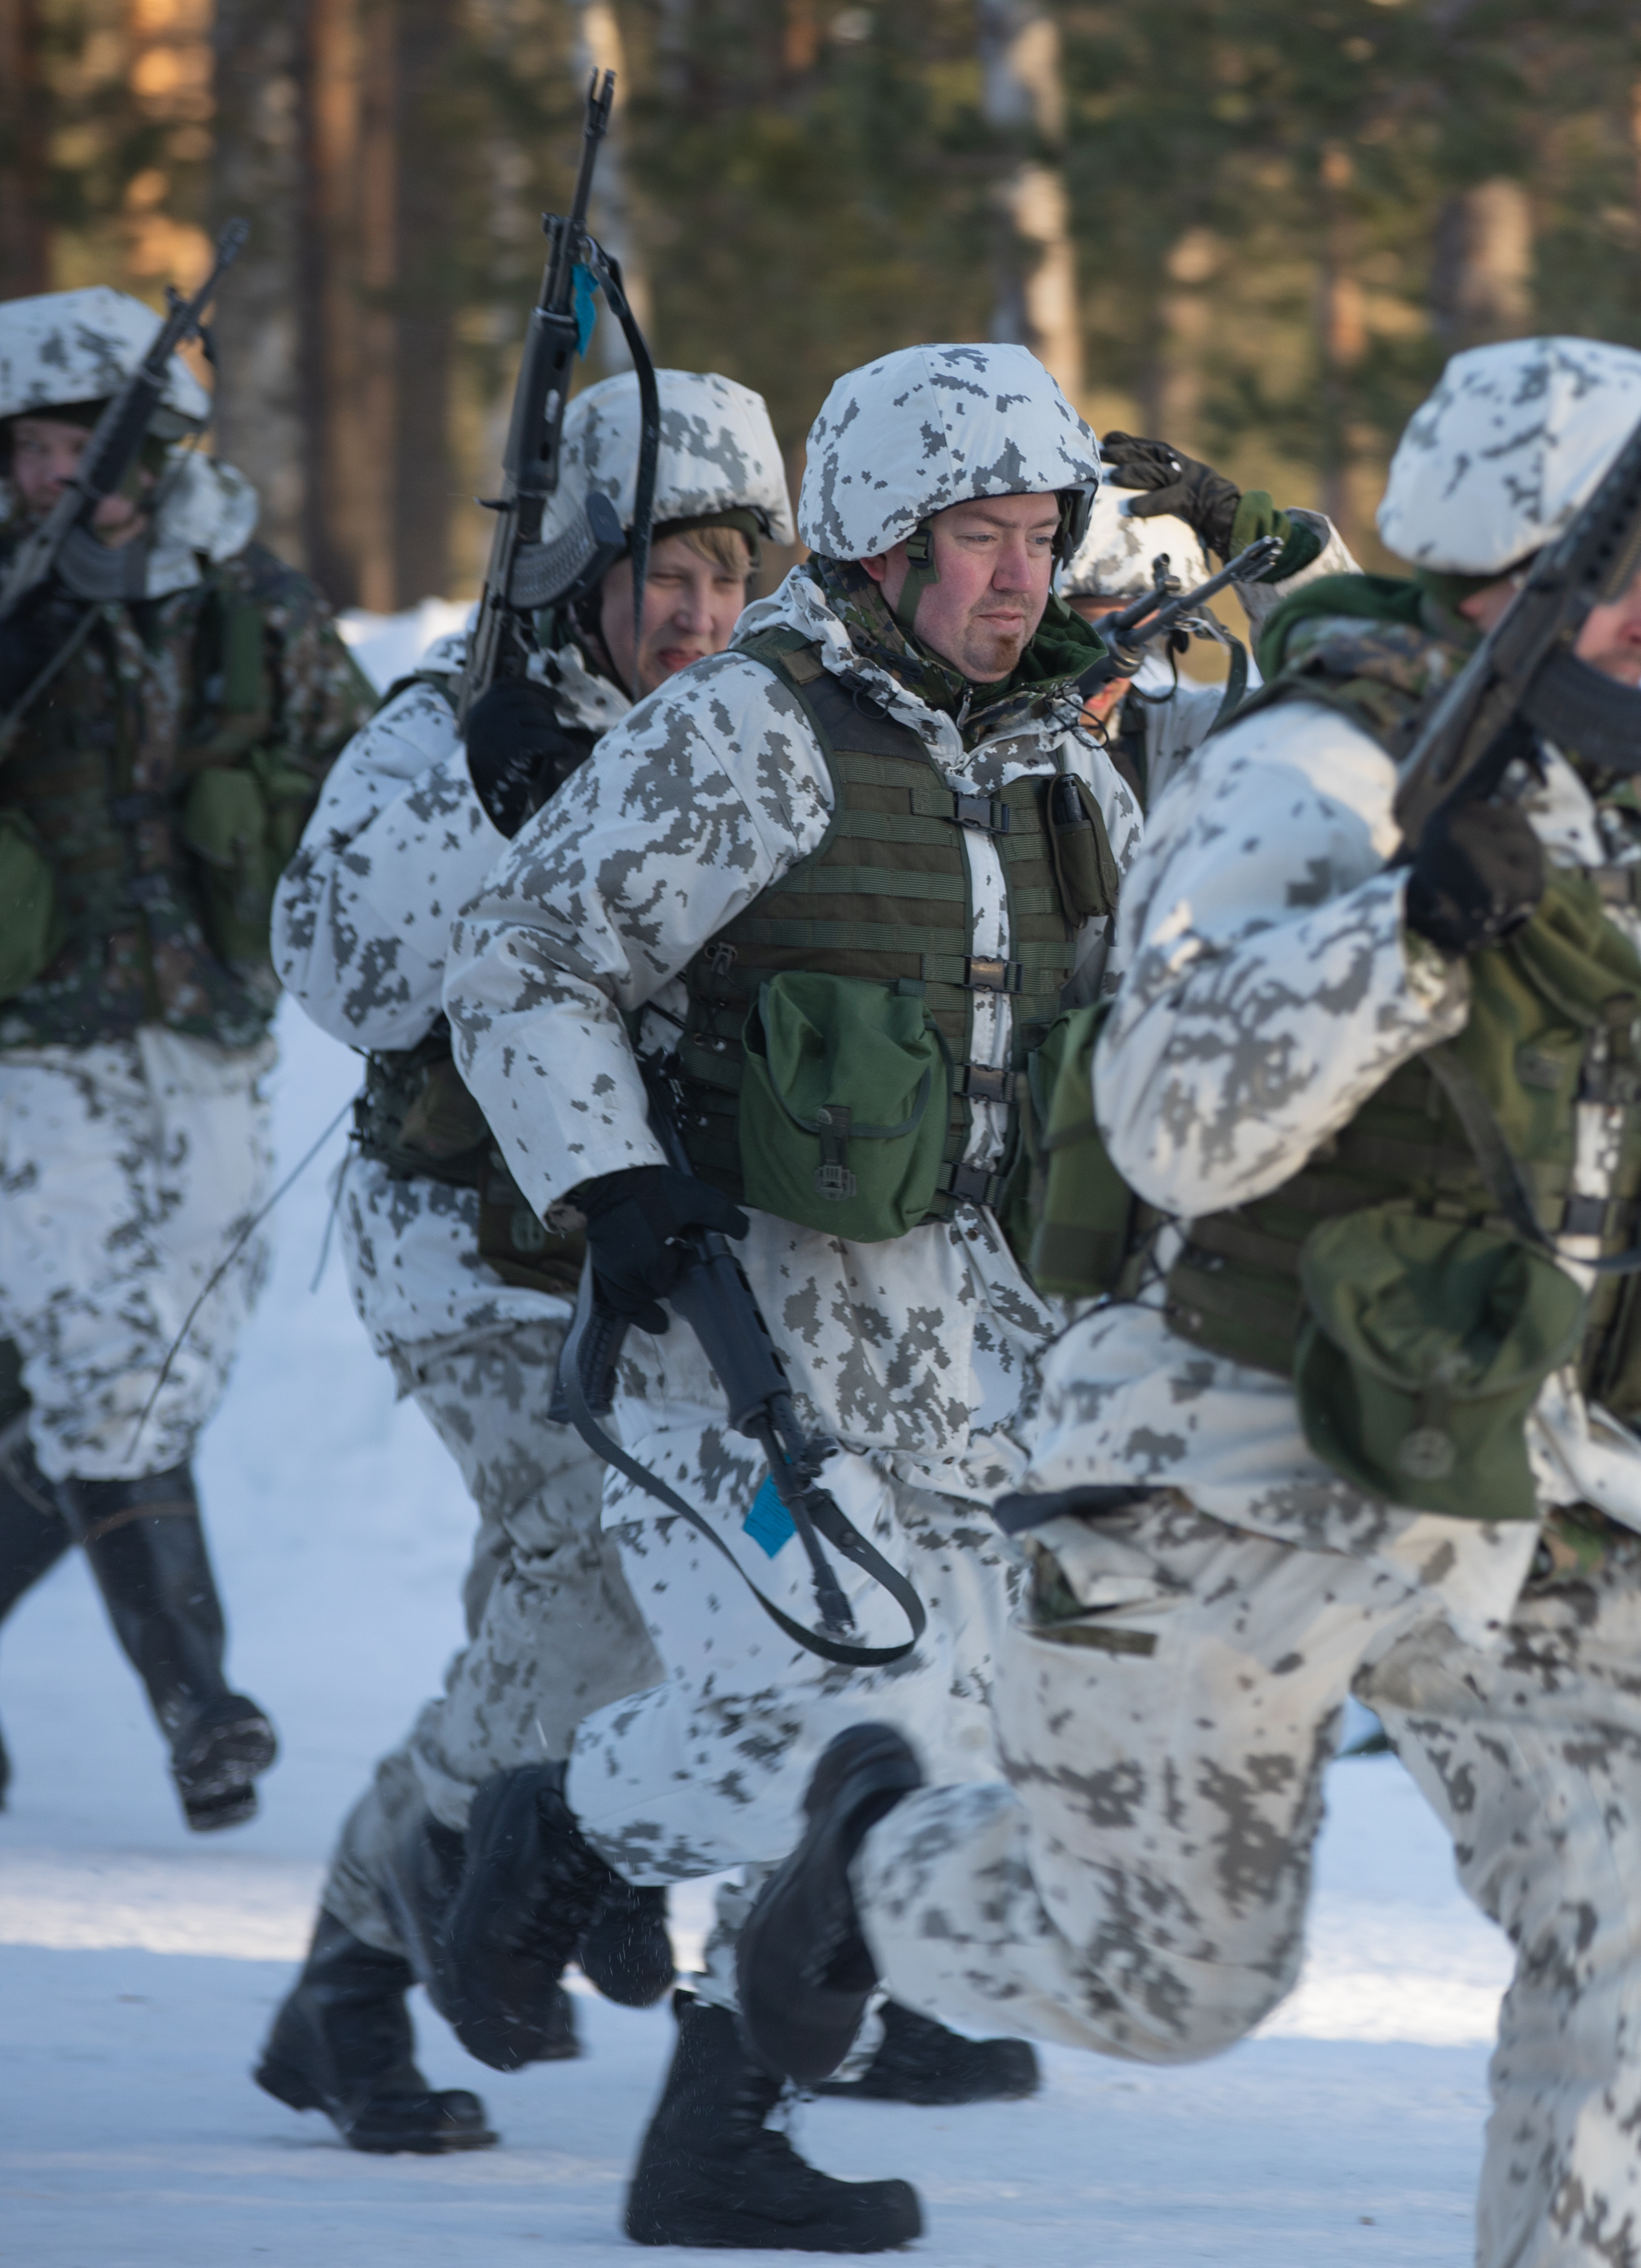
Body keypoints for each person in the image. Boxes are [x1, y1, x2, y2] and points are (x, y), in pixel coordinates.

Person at [726, 334, 1641, 2268]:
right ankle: (873, 1863)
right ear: (1497, 573)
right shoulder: (1318, 770)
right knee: (1174, 1982)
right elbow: (1173, 1119)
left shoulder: (1624, 806)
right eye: (1621, 574)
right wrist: (1405, 933)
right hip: (1226, 1457)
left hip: (1502, 1458)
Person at [439, 341, 1135, 2251]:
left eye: (1042, 538)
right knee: (860, 1733)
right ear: (880, 550)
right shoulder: (745, 738)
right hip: (725, 1315)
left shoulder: (1063, 762)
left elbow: (1120, 1034)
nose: (1020, 580)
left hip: (962, 1335)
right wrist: (614, 1185)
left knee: (877, 1730)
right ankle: (718, 2124)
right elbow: (521, 972)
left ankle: (567, 1836)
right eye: (980, 541)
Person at [253, 368, 779, 2156]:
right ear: (575, 572)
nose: (692, 613)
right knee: (586, 1566)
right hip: (470, 1248)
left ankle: (354, 1977)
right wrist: (491, 807)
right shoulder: (444, 728)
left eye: (723, 573)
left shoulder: (760, 731)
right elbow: (335, 965)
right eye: (657, 574)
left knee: (600, 1604)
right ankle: (427, 1883)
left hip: (655, 1251)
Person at [0, 282, 372, 1834]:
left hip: (209, 1038)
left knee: (159, 1372)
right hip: (31, 1041)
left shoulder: (247, 599)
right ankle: (199, 1709)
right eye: (29, 452)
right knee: (103, 1362)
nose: (56, 481)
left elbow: (366, 774)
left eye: (87, 448)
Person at [1052, 438, 1354, 813]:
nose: (1115, 666)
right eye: (1089, 631)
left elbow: (1357, 713)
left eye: (1139, 637)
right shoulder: (964, 743)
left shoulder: (1180, 739)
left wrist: (1275, 553)